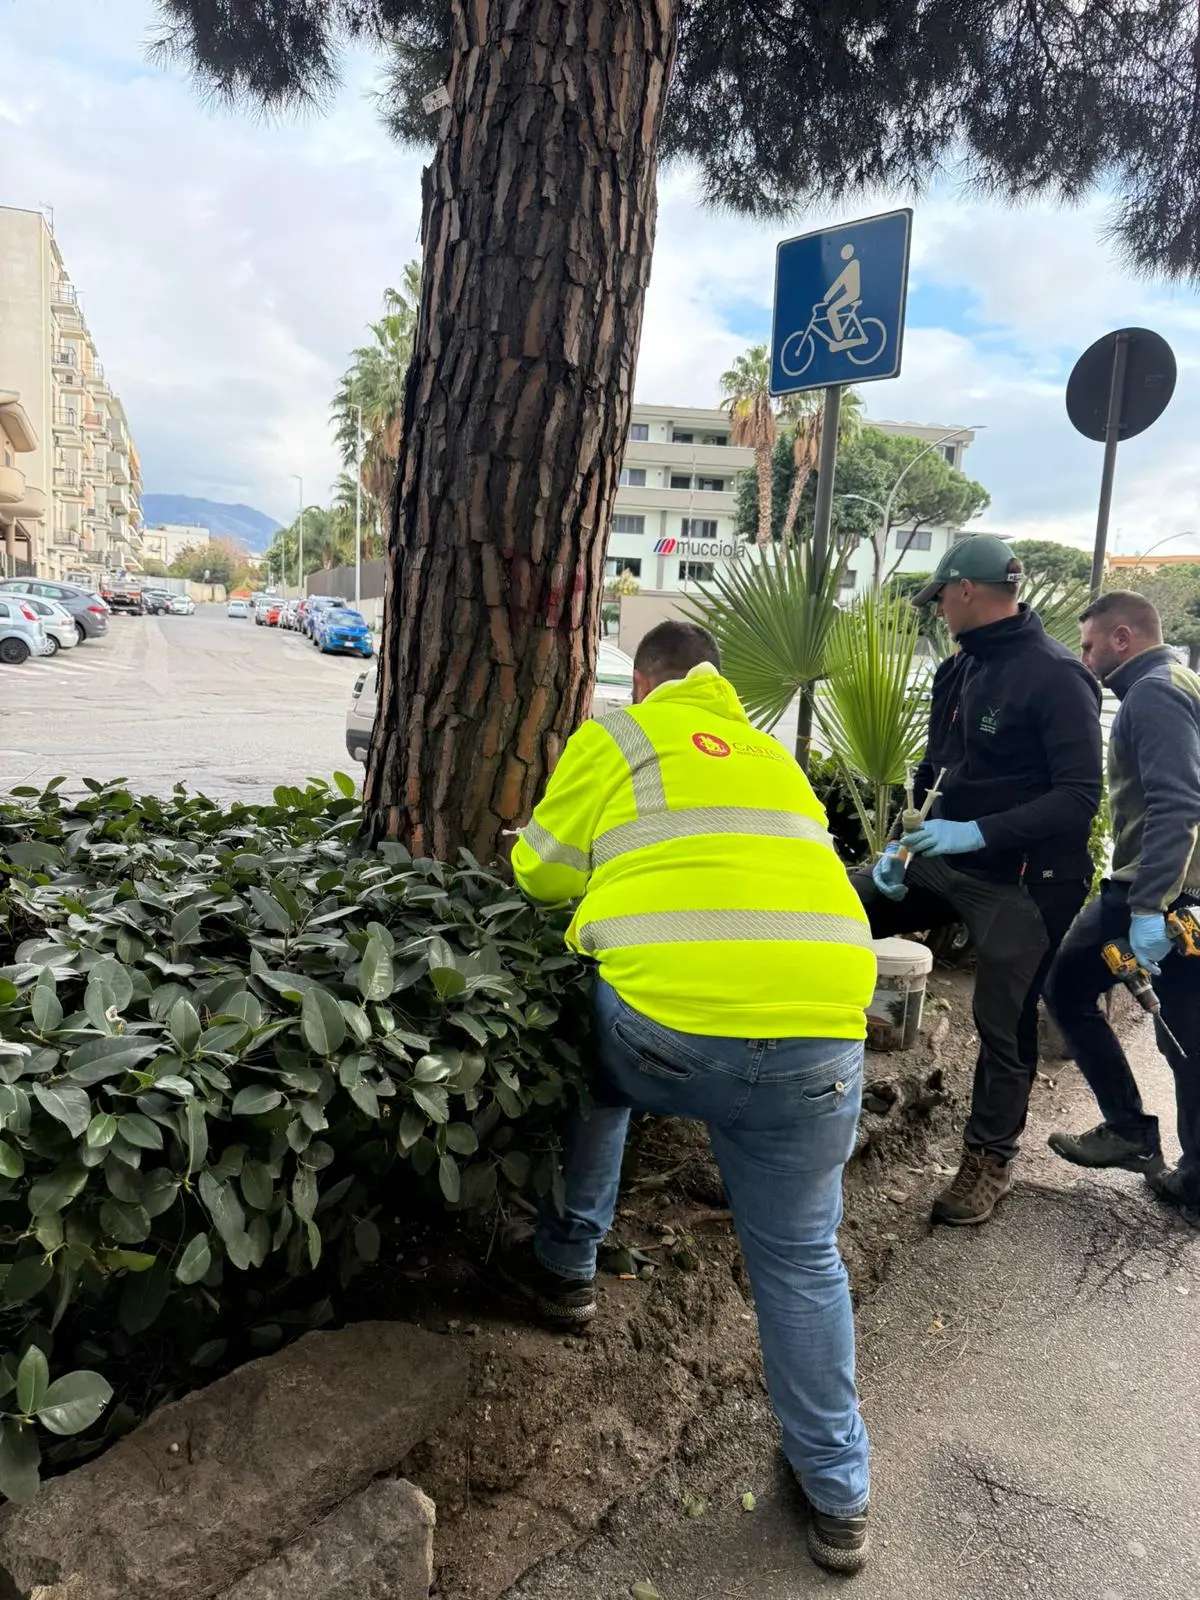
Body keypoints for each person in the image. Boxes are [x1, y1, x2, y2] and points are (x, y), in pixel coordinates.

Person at [505, 619, 878, 1574]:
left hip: (666, 1043)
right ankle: (840, 1498)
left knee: (593, 1034)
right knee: (801, 1259)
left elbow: (540, 872)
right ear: (720, 677)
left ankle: (567, 1265)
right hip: (821, 1037)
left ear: (644, 683)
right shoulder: (773, 757)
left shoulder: (619, 736)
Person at [853, 535, 1102, 1225]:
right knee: (834, 906)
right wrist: (906, 844)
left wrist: (981, 832)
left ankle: (989, 1160)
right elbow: (938, 770)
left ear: (965, 589)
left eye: (939, 598)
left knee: (1004, 1021)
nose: (937, 611)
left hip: (1027, 881)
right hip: (945, 860)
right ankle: (814, 1075)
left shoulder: (1056, 676)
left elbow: (1080, 795)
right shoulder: (959, 670)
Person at [1045, 592, 1200, 1225]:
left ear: (1123, 638)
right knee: (1186, 1034)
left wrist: (1147, 907)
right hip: (1184, 890)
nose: (1086, 659)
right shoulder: (1183, 677)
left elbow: (1177, 803)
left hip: (1154, 891)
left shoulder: (1152, 693)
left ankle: (1129, 1128)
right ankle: (1194, 1181)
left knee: (1066, 989)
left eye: (1088, 646)